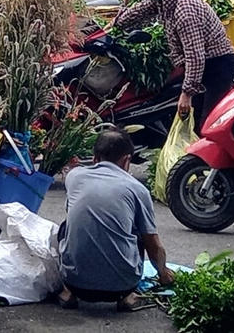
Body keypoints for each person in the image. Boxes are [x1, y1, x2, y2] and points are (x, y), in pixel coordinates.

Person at [56, 129, 171, 311]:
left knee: (66, 227)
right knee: (140, 233)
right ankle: (128, 298)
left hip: (75, 282)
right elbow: (153, 245)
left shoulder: (74, 177)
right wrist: (164, 274)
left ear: (95, 158)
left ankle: (67, 292)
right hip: (120, 287)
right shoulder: (137, 189)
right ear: (127, 160)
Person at [114, 0, 234, 124]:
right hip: (203, 63)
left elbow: (195, 57)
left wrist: (186, 94)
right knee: (196, 118)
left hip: (217, 64)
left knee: (209, 121)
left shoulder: (184, 11)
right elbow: (143, 8)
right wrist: (117, 23)